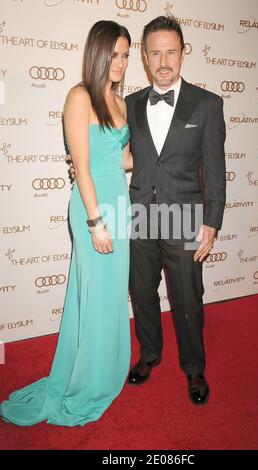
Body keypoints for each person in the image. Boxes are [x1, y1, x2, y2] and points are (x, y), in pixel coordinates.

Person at [0, 20, 133, 427]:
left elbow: (123, 160)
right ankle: (84, 383)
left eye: (126, 55)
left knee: (110, 296)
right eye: (113, 54)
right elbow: (83, 167)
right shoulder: (80, 97)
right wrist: (96, 222)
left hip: (120, 203)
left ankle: (104, 370)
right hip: (94, 207)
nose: (121, 62)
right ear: (97, 53)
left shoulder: (120, 102)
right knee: (93, 296)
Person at [126, 16, 226, 405]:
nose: (163, 60)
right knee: (142, 291)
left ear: (183, 52)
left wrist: (212, 222)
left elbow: (215, 169)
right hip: (140, 213)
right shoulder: (130, 104)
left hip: (186, 214)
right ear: (144, 56)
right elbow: (124, 156)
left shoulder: (207, 104)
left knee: (187, 296)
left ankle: (194, 367)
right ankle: (149, 354)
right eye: (155, 52)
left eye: (171, 51)